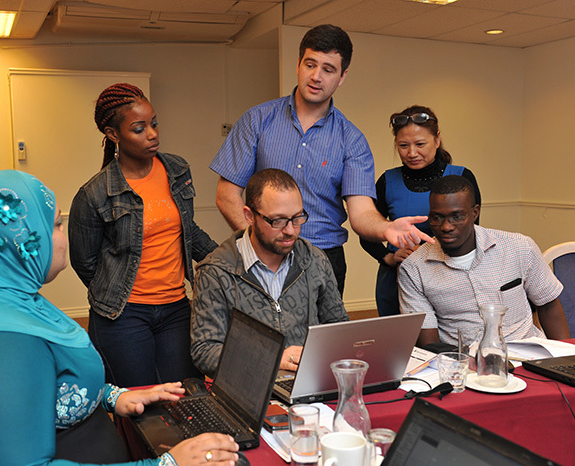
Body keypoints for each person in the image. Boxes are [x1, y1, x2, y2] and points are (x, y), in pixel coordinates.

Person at [0, 169, 239, 466]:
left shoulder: (5, 305)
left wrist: (110, 396)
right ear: (17, 244)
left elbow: (38, 385)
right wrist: (167, 465)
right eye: (55, 224)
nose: (64, 237)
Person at [209, 24, 432, 296]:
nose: (316, 76)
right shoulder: (257, 121)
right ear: (298, 65)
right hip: (260, 256)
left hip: (324, 259)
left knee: (320, 339)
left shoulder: (352, 139)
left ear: (342, 77)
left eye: (328, 69)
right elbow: (226, 195)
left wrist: (386, 228)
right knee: (263, 338)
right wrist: (262, 242)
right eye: (310, 64)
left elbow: (361, 213)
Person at [69, 83, 217, 388]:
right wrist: (123, 289)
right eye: (139, 128)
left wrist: (230, 258)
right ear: (113, 135)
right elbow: (84, 263)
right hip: (122, 315)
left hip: (176, 307)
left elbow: (187, 230)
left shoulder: (176, 169)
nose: (152, 134)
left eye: (154, 123)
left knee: (189, 394)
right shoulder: (95, 193)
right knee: (140, 404)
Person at [191, 169, 349, 377]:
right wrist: (274, 360)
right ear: (249, 216)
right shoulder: (216, 272)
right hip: (246, 387)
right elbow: (205, 351)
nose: (290, 230)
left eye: (297, 218)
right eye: (278, 221)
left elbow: (339, 329)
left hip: (306, 383)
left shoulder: (314, 260)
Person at [398, 175, 570, 348]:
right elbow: (430, 345)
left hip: (528, 358)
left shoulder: (519, 247)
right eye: (437, 218)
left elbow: (548, 306)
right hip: (466, 365)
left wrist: (567, 360)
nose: (446, 227)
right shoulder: (414, 269)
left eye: (457, 216)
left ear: (475, 213)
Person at [360, 105, 482, 317]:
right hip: (397, 280)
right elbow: (367, 232)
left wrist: (425, 254)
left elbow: (473, 234)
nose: (412, 153)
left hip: (450, 279)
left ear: (437, 140)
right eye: (403, 145)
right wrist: (388, 257)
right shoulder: (387, 181)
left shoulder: (462, 178)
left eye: (420, 144)